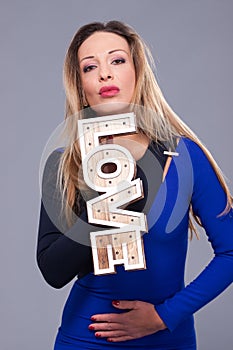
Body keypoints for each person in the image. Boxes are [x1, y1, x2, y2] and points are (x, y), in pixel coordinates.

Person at [37, 21, 233, 350]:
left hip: (169, 339)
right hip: (86, 338)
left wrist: (165, 316)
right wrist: (106, 206)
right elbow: (53, 271)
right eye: (90, 67)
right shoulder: (65, 163)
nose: (105, 74)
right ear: (80, 85)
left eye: (117, 60)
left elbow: (230, 251)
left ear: (137, 72)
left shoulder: (182, 155)